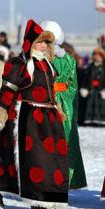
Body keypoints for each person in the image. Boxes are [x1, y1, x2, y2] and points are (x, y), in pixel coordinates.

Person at [0, 19, 68, 209]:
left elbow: (51, 93)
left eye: (46, 42)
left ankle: (45, 196)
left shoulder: (47, 64)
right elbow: (7, 91)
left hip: (48, 118)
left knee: (49, 159)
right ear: (30, 42)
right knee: (35, 160)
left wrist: (58, 111)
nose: (43, 46)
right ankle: (37, 201)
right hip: (28, 119)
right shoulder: (19, 64)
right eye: (39, 41)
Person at [41, 20, 87, 190]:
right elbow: (73, 86)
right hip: (65, 104)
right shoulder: (69, 59)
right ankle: (66, 179)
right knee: (66, 141)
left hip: (46, 101)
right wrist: (70, 105)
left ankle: (47, 177)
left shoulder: (41, 59)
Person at [80, 47, 105, 126]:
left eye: (98, 55)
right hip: (91, 89)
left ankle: (101, 121)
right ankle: (90, 121)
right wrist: (84, 88)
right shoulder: (90, 67)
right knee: (90, 104)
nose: (96, 56)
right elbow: (86, 78)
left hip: (101, 90)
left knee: (101, 105)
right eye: (95, 54)